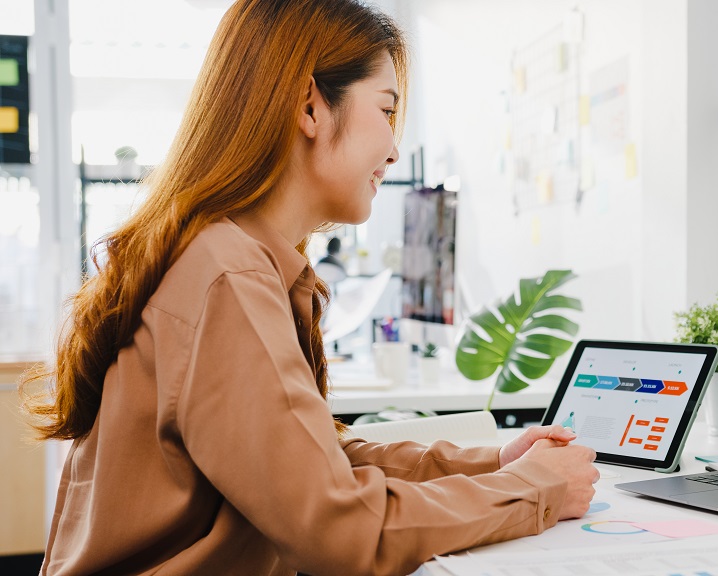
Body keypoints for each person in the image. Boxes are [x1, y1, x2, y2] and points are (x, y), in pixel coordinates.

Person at [19, 2, 598, 574]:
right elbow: (337, 530)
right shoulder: (227, 273)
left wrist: (494, 464)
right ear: (310, 106)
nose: (395, 149)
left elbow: (307, 462)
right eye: (387, 111)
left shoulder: (222, 255)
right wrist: (529, 492)